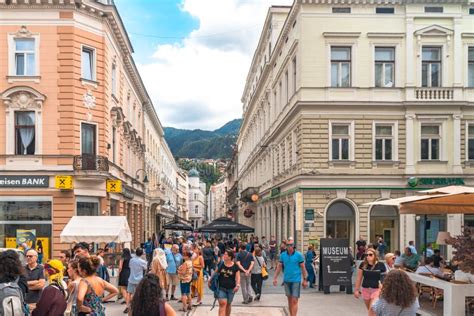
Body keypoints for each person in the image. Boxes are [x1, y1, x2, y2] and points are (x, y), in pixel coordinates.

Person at [273, 238, 308, 316]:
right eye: (288, 245)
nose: (289, 247)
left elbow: (303, 268)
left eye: (291, 245)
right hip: (287, 280)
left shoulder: (299, 255)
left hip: (296, 280)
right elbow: (279, 267)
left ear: (294, 246)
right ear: (286, 246)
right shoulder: (283, 255)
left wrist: (305, 280)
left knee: (294, 300)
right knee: (289, 300)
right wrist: (275, 278)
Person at [354, 248, 386, 314]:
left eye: (370, 255)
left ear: (375, 255)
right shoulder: (363, 264)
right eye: (366, 255)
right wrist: (356, 290)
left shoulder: (381, 265)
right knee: (370, 310)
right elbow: (359, 278)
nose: (368, 256)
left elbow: (385, 279)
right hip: (365, 290)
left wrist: (384, 289)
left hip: (376, 290)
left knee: (372, 309)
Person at [212, 249, 240, 316]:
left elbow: (238, 277)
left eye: (225, 254)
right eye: (224, 254)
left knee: (228, 304)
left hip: (231, 289)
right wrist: (210, 280)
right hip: (221, 288)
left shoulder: (235, 266)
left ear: (230, 257)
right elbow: (215, 273)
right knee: (222, 304)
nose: (223, 255)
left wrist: (237, 285)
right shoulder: (221, 264)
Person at [125, 248, 147, 314]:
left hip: (131, 278)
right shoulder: (142, 261)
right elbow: (145, 268)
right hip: (139, 280)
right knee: (140, 293)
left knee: (129, 293)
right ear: (141, 253)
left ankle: (127, 306)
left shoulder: (131, 260)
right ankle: (139, 306)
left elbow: (130, 267)